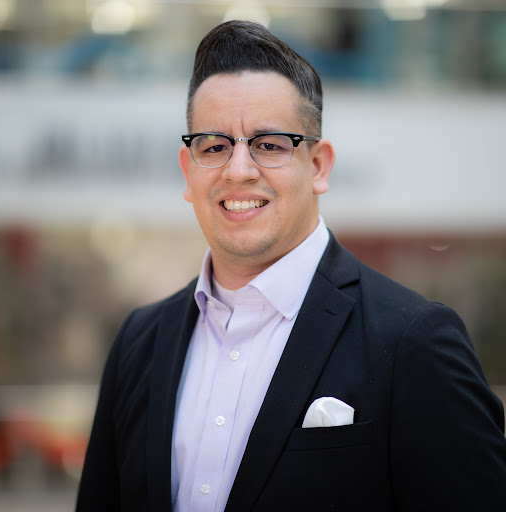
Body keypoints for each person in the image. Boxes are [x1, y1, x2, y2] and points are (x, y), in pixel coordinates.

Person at [76, 20, 506, 512]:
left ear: (318, 166)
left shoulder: (414, 341)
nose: (239, 170)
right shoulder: (139, 341)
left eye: (269, 144)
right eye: (214, 146)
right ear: (188, 170)